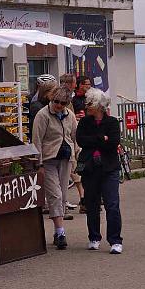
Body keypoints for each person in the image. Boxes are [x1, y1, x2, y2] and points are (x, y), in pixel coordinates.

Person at [76, 88, 123, 254]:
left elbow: (113, 143)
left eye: (90, 104)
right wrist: (100, 139)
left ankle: (115, 240)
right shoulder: (84, 122)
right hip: (90, 168)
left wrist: (97, 141)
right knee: (92, 204)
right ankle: (94, 237)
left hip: (109, 168)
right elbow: (81, 140)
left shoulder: (112, 123)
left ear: (99, 106)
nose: (87, 107)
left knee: (112, 205)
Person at [32, 85, 77, 250]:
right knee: (55, 195)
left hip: (66, 158)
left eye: (63, 103)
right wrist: (39, 163)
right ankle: (60, 232)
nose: (59, 105)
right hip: (49, 159)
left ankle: (58, 231)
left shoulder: (69, 115)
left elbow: (74, 136)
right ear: (51, 99)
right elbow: (36, 140)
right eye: (56, 101)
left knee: (63, 195)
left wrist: (76, 156)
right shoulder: (42, 115)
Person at [59, 73, 84, 215]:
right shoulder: (65, 98)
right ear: (69, 84)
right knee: (75, 170)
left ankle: (83, 198)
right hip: (68, 141)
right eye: (74, 83)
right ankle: (82, 199)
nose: (76, 85)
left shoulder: (65, 98)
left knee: (75, 170)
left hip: (69, 141)